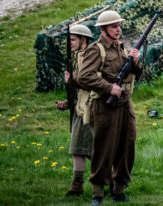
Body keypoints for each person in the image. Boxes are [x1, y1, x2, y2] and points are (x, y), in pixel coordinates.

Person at [77, 10, 141, 205]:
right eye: (114, 26)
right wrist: (108, 88)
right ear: (103, 30)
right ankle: (97, 194)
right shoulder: (96, 50)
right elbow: (84, 76)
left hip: (125, 105)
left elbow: (136, 74)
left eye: (119, 25)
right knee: (104, 149)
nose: (118, 29)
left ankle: (119, 191)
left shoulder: (121, 48)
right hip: (105, 106)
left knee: (127, 147)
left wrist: (136, 63)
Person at [55, 24, 95, 197]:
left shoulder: (91, 58)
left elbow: (93, 83)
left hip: (91, 109)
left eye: (72, 40)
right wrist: (67, 103)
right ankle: (76, 187)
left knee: (94, 152)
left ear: (83, 40)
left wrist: (73, 80)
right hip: (79, 108)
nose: (69, 43)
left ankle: (107, 182)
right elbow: (79, 90)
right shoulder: (77, 58)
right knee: (77, 148)